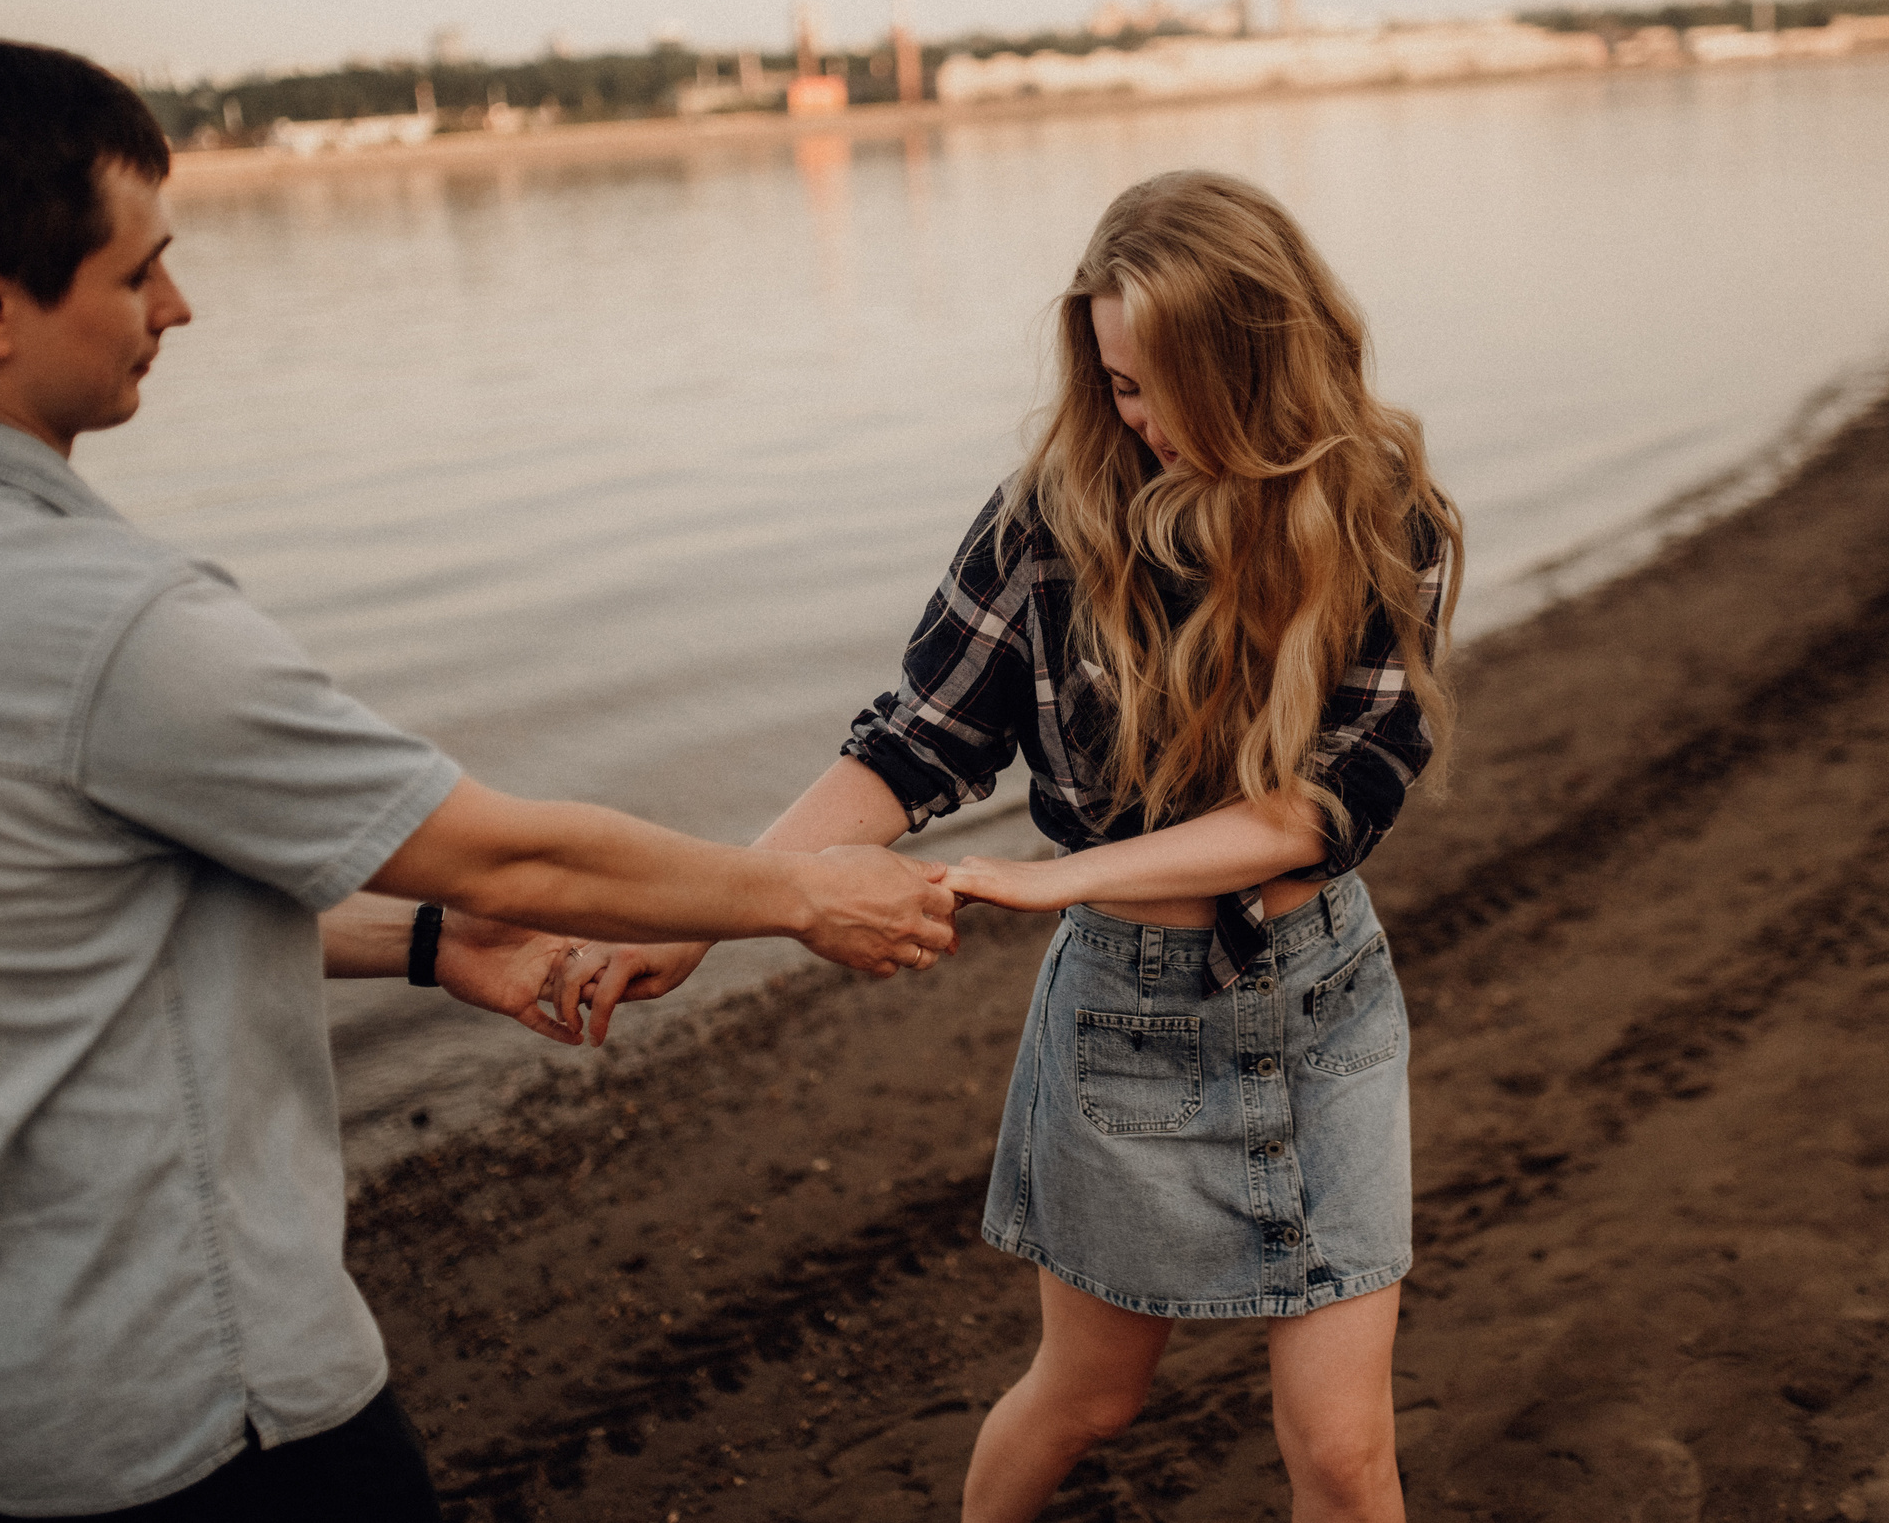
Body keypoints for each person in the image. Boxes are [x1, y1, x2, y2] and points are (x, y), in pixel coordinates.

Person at [0, 37, 957, 1523]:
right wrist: (803, 891)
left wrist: (425, 946)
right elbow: (503, 855)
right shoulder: (114, 625)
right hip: (199, 1407)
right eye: (137, 271)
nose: (179, 304)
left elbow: (70, 916)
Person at [569, 170, 1461, 1522]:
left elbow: (1322, 813)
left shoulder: (1383, 509)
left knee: (1343, 1452)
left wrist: (1044, 877)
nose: (1139, 422)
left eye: (1167, 384)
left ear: (1263, 362)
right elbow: (908, 746)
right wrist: (707, 914)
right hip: (1128, 1027)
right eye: (1116, 383)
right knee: (1088, 1399)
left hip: (1329, 1007)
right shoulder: (1046, 523)